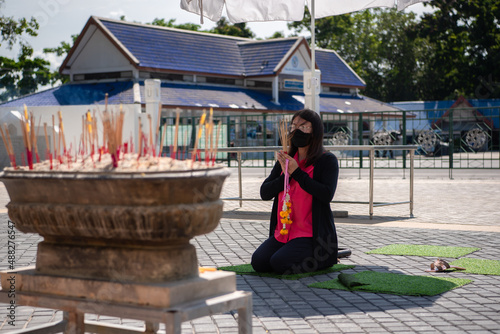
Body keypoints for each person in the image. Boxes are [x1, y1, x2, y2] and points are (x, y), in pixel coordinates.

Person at [251, 109, 340, 275]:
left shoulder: (327, 160)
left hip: (309, 235)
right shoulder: (286, 159)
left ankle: (323, 257)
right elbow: (265, 193)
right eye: (294, 126)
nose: (297, 130)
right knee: (259, 262)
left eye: (303, 126)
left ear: (315, 131)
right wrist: (286, 174)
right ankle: (292, 252)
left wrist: (297, 173)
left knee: (279, 263)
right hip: (283, 233)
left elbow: (326, 194)